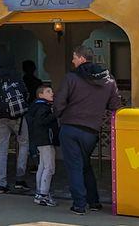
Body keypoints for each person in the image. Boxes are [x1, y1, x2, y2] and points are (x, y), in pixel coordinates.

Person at [54, 45, 123, 215]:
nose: (72, 60)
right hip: (91, 131)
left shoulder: (71, 78)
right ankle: (94, 201)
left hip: (70, 128)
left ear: (82, 59)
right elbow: (116, 106)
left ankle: (79, 204)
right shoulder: (109, 80)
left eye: (74, 57)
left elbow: (59, 103)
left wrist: (59, 115)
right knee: (85, 165)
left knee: (74, 167)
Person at [0, 56, 30, 193]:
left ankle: (2, 183)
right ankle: (20, 179)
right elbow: (25, 93)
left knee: (2, 148)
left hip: (1, 117)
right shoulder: (16, 75)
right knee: (23, 144)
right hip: (18, 115)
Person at [27, 85, 60, 207]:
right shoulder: (43, 107)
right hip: (46, 139)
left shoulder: (35, 106)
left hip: (40, 139)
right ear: (41, 95)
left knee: (42, 165)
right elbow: (42, 121)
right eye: (48, 91)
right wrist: (55, 114)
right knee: (49, 167)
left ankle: (40, 192)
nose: (52, 93)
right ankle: (43, 195)